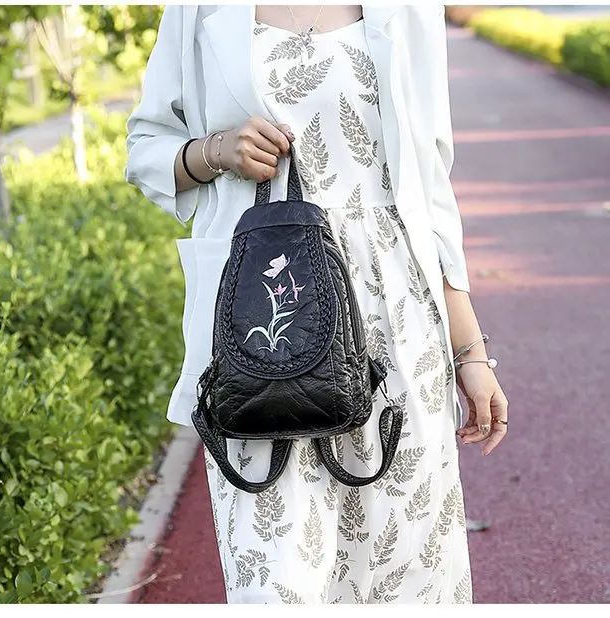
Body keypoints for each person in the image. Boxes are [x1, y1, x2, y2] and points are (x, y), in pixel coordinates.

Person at [125, 4, 509, 604]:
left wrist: (470, 352)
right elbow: (145, 149)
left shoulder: (410, 10)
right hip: (263, 320)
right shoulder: (198, 9)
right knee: (275, 583)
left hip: (393, 323)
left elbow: (431, 187)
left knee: (404, 576)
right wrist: (217, 151)